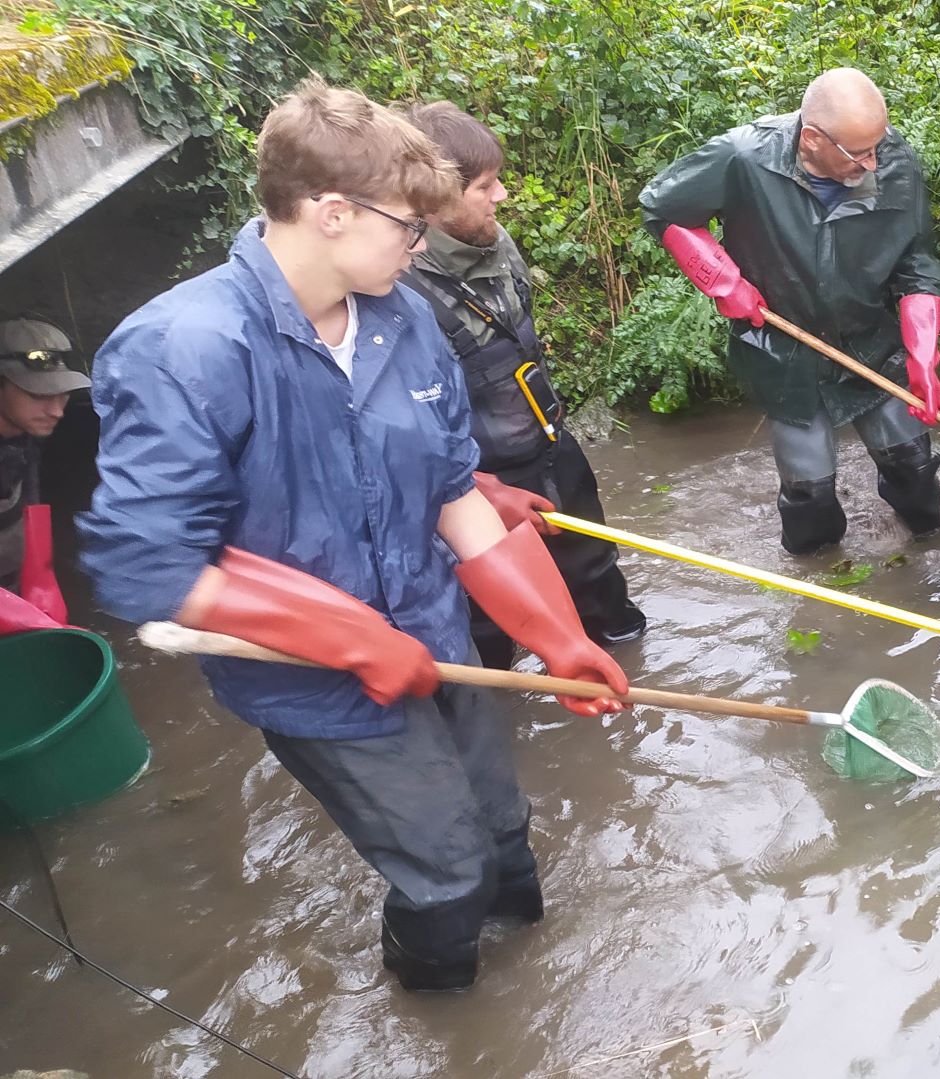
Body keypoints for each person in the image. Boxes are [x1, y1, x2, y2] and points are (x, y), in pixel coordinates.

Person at [78, 79, 629, 992]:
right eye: (408, 228)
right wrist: (346, 637)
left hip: (436, 633)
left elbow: (457, 499)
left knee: (503, 833)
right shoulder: (184, 348)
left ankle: (530, 992)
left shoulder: (404, 318)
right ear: (332, 212)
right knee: (447, 874)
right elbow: (145, 563)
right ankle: (443, 1007)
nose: (420, 247)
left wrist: (559, 639)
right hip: (315, 684)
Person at [639, 67, 940, 555]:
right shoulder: (743, 158)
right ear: (811, 140)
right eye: (859, 152)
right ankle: (821, 594)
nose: (874, 164)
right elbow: (663, 209)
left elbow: (917, 264)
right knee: (811, 502)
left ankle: (934, 558)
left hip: (869, 344)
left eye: (878, 145)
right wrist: (722, 281)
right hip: (784, 352)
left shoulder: (894, 161)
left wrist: (923, 358)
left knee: (916, 477)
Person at [398, 101, 645, 670]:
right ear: (433, 200)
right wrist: (475, 488)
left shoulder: (495, 240)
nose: (502, 197)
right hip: (475, 480)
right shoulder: (396, 286)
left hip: (549, 443)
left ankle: (626, 665)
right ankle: (506, 711)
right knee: (485, 619)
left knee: (596, 574)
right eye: (485, 186)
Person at [0, 318, 87, 633]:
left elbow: (30, 513)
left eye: (62, 393)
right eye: (39, 395)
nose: (58, 410)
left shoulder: (25, 439)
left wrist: (41, 596)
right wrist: (29, 620)